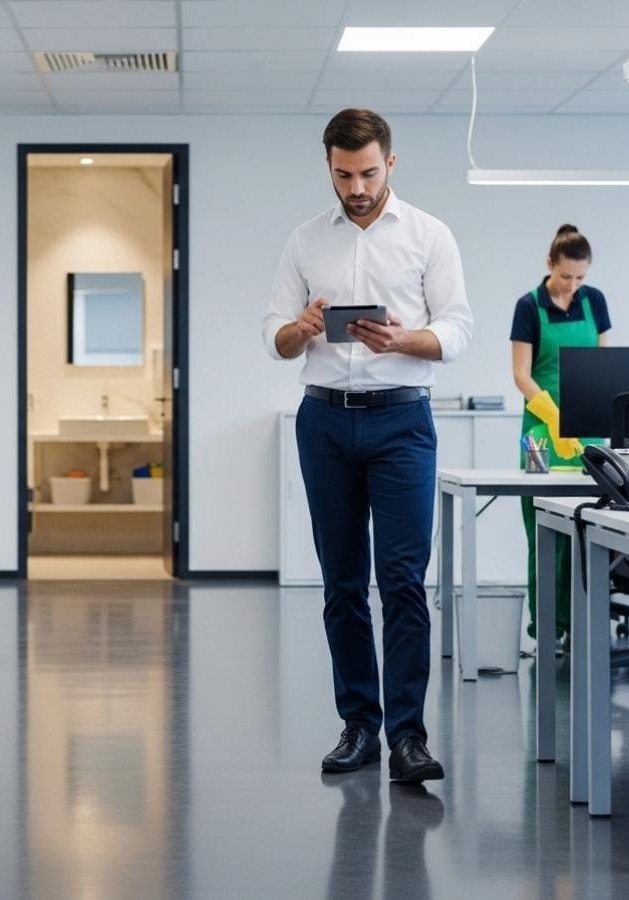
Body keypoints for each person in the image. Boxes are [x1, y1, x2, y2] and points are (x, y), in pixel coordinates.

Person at [264, 108, 473, 783]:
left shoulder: (429, 235)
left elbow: (459, 328)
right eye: (344, 174)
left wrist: (405, 339)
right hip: (324, 423)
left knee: (405, 582)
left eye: (369, 173)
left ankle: (409, 736)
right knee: (343, 583)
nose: (357, 187)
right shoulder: (303, 241)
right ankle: (360, 726)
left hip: (402, 424)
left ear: (391, 163)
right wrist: (301, 328)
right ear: (328, 166)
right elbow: (275, 335)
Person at [511, 225, 611, 641]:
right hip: (539, 428)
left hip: (588, 427)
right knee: (543, 530)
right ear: (550, 265)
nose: (573, 286)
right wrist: (552, 415)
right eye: (566, 276)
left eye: (580, 278)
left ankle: (583, 626)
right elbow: (521, 375)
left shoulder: (595, 302)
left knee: (590, 526)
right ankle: (546, 629)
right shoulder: (529, 306)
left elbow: (606, 365)